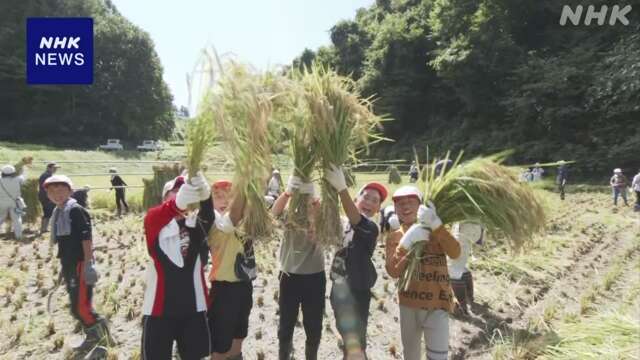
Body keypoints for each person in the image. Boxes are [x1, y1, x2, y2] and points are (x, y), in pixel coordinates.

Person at [141, 172, 214, 360]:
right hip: (159, 310)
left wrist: (206, 197)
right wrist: (176, 205)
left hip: (193, 309)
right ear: (164, 199)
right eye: (175, 191)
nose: (181, 194)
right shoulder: (154, 221)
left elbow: (208, 216)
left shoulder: (195, 225)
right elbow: (158, 215)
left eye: (185, 191)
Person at [385, 186, 461, 360]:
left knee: (438, 356)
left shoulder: (437, 231)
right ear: (395, 209)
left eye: (411, 202)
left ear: (421, 206)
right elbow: (392, 271)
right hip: (408, 305)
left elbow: (456, 253)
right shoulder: (395, 236)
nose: (405, 207)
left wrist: (436, 224)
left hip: (438, 303)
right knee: (411, 355)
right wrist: (406, 242)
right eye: (400, 204)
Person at [44, 174, 113, 357]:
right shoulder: (59, 213)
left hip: (81, 264)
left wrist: (89, 264)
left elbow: (86, 238)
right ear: (48, 195)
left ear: (70, 191)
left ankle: (100, 339)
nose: (57, 194)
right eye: (52, 191)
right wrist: (63, 268)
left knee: (81, 307)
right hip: (69, 264)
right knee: (76, 307)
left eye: (61, 190)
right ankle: (98, 335)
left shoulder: (75, 210)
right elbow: (65, 244)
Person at [324, 164, 387, 359]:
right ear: (356, 200)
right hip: (339, 285)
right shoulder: (342, 221)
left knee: (356, 339)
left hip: (358, 288)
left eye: (375, 201)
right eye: (365, 197)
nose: (369, 202)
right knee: (345, 331)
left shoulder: (371, 227)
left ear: (378, 209)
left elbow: (355, 218)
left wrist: (342, 188)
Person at [271, 176, 324, 360]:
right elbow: (273, 213)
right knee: (286, 322)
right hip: (289, 275)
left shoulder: (321, 214)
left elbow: (321, 233)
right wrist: (287, 193)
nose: (305, 201)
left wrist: (314, 212)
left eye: (309, 196)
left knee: (313, 324)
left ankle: (312, 356)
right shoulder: (289, 213)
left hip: (315, 276)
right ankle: (283, 354)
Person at [207, 179, 254, 360]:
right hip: (223, 290)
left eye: (229, 195)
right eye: (217, 196)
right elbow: (232, 218)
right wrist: (246, 175)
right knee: (220, 346)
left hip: (244, 286)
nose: (223, 200)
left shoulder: (246, 221)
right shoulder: (215, 223)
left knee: (238, 338)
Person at [448, 222, 483, 316]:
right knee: (460, 265)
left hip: (467, 227)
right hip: (474, 227)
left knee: (453, 268)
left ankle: (460, 308)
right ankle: (468, 299)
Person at [0, 165, 26, 240]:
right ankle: (19, 236)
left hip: (1, 202)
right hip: (14, 202)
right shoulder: (18, 179)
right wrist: (22, 170)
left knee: (0, 218)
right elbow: (24, 178)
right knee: (17, 219)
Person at [38, 162, 60, 233]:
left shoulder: (46, 175)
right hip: (47, 197)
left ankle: (44, 228)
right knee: (47, 213)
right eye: (54, 168)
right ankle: (43, 228)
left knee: (47, 212)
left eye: (56, 168)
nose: (55, 170)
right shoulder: (47, 176)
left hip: (44, 196)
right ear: (48, 168)